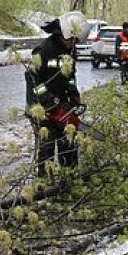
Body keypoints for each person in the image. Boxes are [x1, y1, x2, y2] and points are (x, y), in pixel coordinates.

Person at [25, 10, 90, 177]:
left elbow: (70, 76)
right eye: (72, 40)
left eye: (76, 41)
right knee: (47, 146)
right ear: (63, 33)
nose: (73, 44)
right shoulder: (44, 50)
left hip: (61, 103)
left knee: (68, 142)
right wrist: (47, 99)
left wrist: (73, 93)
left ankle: (69, 177)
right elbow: (33, 79)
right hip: (41, 107)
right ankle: (44, 183)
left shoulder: (69, 51)